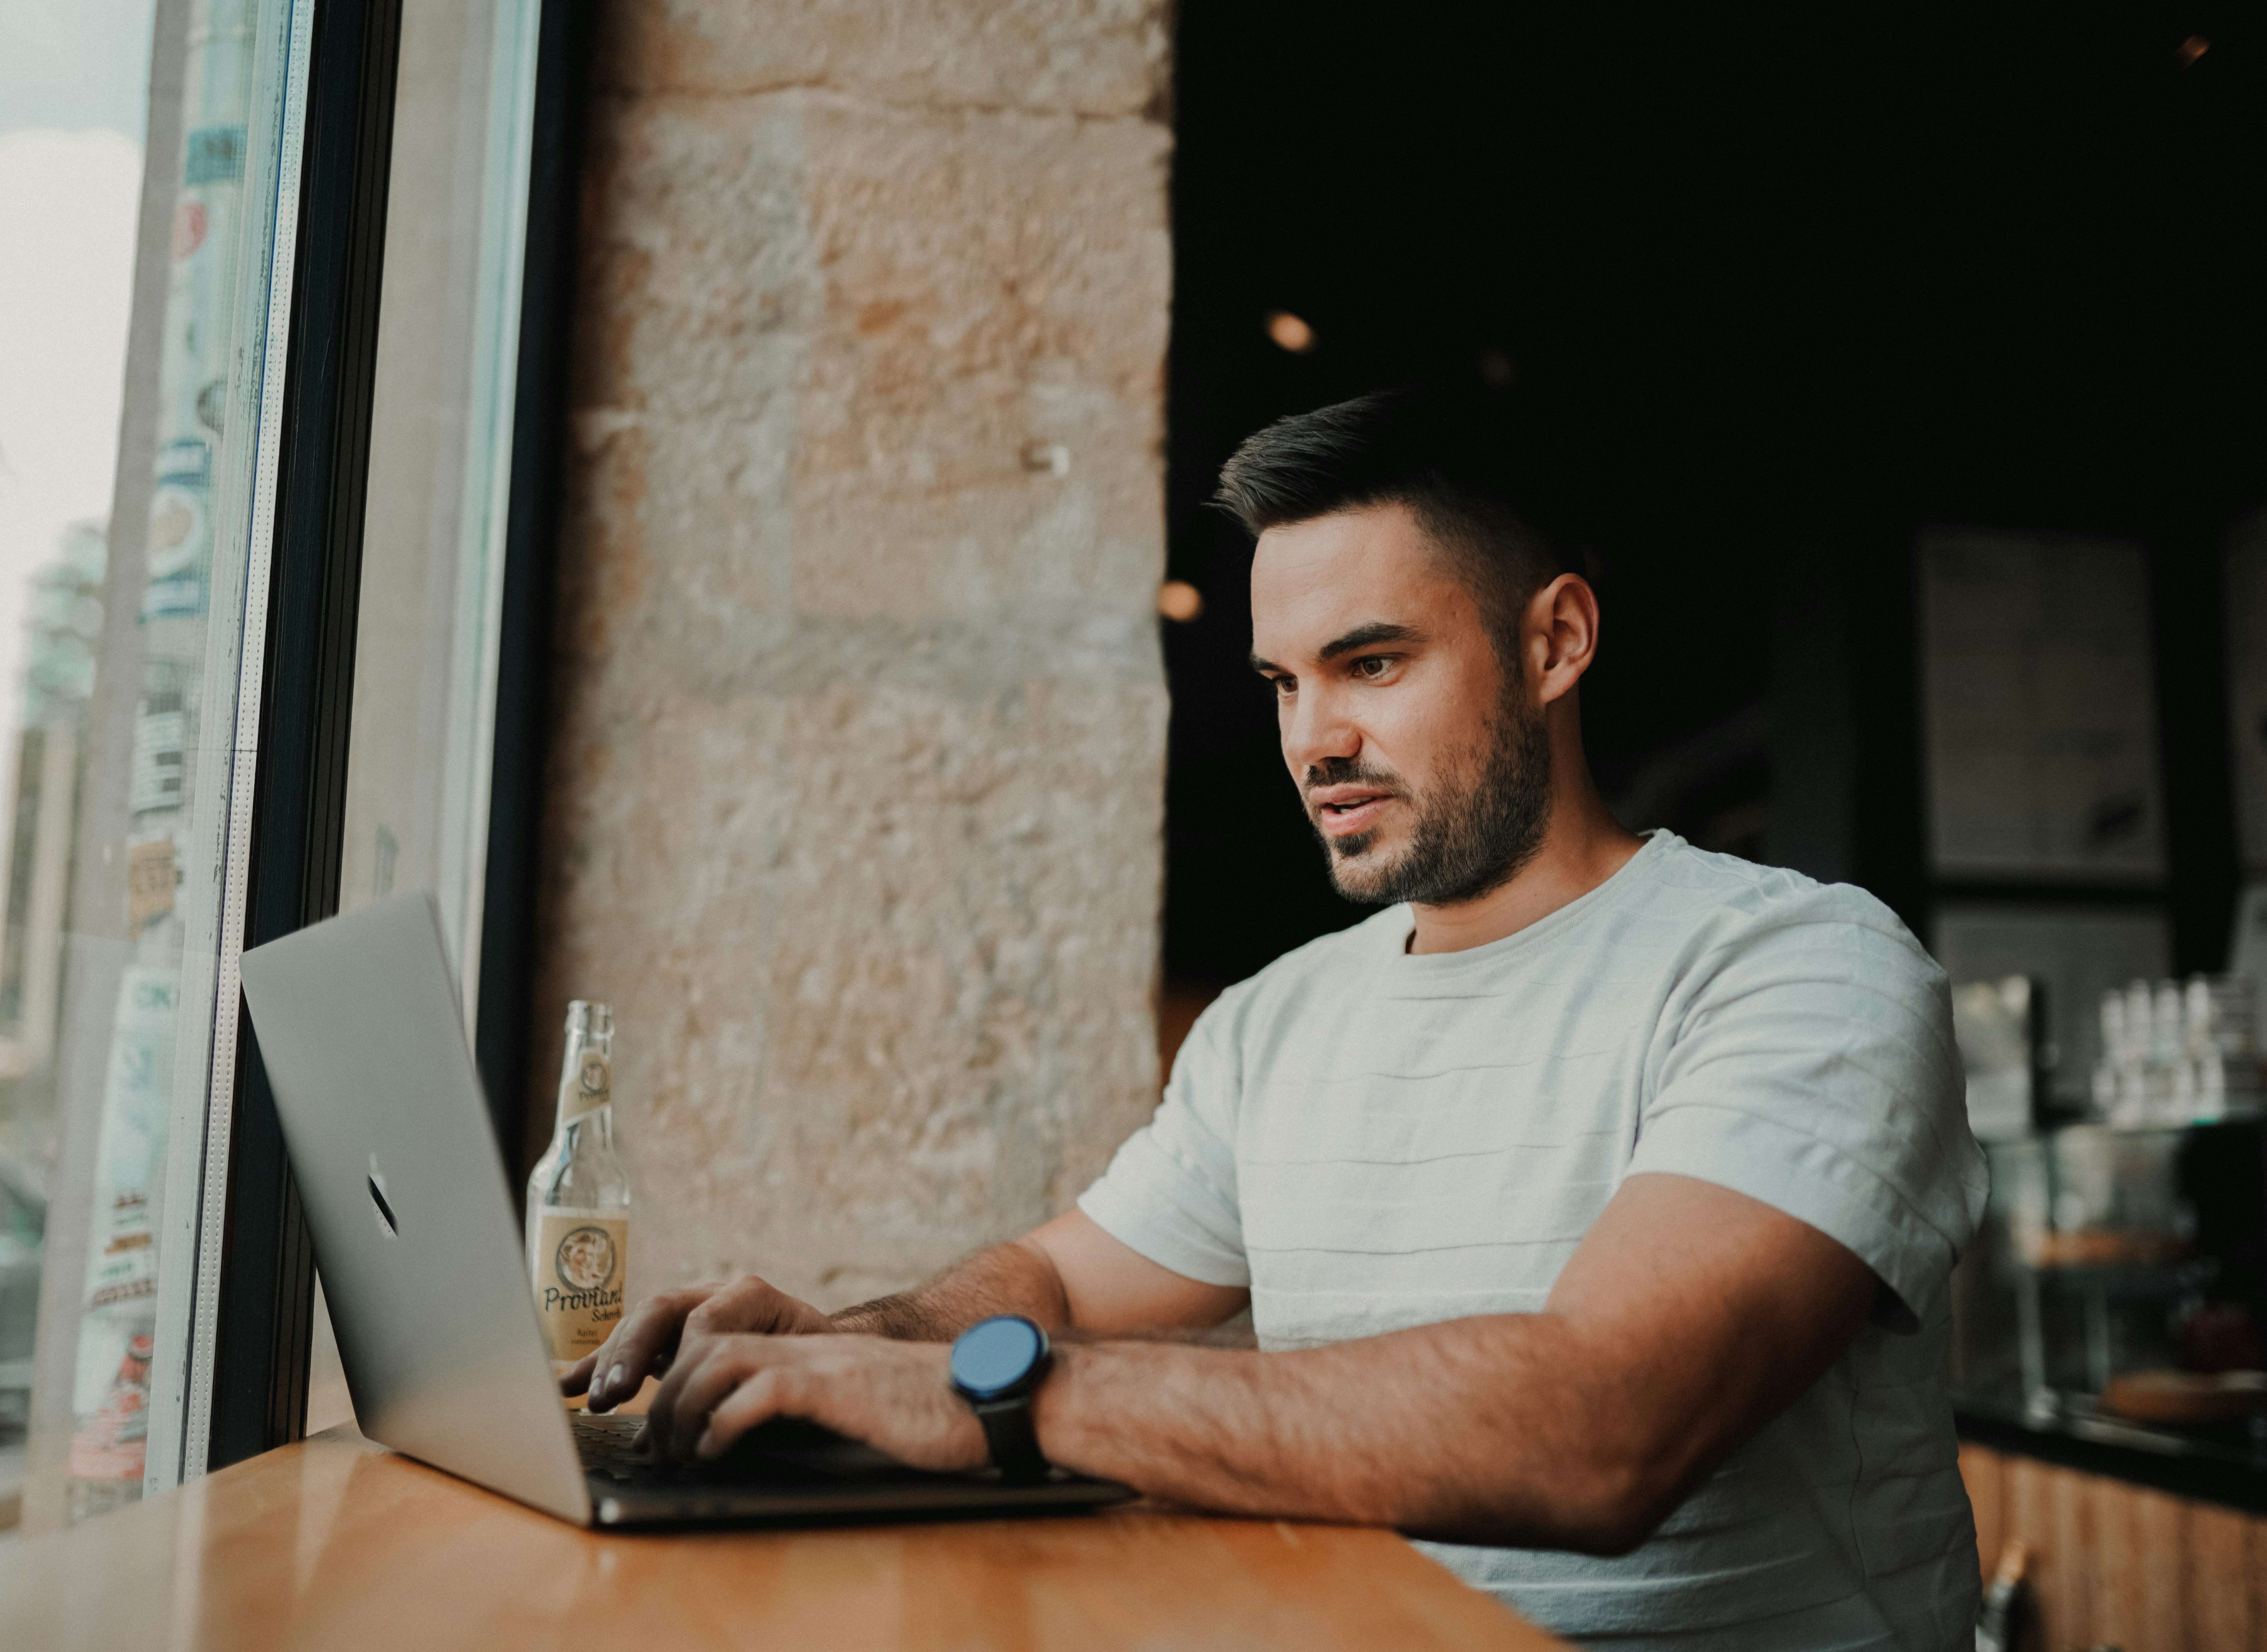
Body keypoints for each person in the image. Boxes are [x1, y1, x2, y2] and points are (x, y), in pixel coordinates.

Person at [567, 389, 1989, 1650]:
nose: (1314, 741)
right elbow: (1054, 1287)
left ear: (1555, 641)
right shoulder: (1277, 1024)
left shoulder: (1799, 968)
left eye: (1372, 665)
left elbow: (1602, 1430)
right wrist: (850, 1348)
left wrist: (999, 1403)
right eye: (1283, 684)